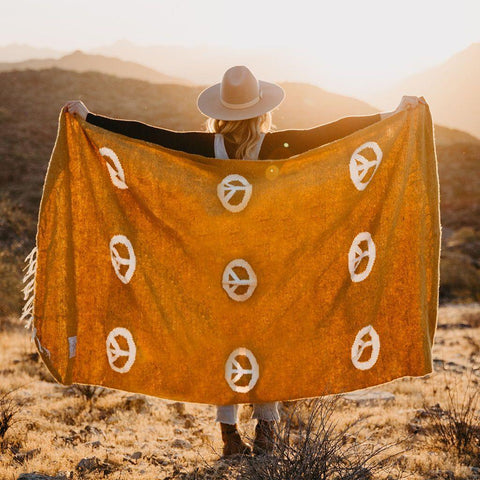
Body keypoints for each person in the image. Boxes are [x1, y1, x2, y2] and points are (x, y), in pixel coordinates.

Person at [64, 65, 425, 456]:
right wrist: (390, 115)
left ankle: (229, 435)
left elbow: (150, 137)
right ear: (261, 112)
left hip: (215, 268)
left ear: (220, 112)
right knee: (266, 341)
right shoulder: (274, 146)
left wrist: (91, 119)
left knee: (223, 343)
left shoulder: (206, 147)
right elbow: (332, 132)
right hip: (270, 267)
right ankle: (267, 429)